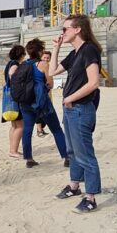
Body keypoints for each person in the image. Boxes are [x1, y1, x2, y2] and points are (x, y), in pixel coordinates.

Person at [49, 14, 101, 214]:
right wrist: (56, 47)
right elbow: (52, 72)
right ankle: (74, 185)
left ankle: (91, 197)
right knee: (72, 151)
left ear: (78, 29)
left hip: (80, 109)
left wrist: (70, 98)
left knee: (85, 154)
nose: (62, 32)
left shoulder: (89, 50)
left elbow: (93, 83)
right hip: (70, 109)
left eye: (65, 29)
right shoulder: (75, 53)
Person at [20, 38, 68, 168]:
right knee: (56, 129)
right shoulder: (43, 64)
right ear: (40, 51)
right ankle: (66, 157)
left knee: (27, 130)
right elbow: (50, 83)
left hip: (25, 103)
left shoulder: (23, 65)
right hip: (42, 103)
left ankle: (29, 159)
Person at [3, 44, 26, 158]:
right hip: (15, 97)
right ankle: (13, 151)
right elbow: (12, 73)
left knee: (14, 125)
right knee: (20, 126)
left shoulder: (9, 63)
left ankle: (12, 149)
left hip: (9, 98)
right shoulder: (15, 64)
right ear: (21, 55)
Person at [35, 50, 52, 137]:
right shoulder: (38, 66)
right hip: (40, 92)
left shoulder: (48, 66)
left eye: (48, 58)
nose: (46, 59)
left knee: (44, 111)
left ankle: (41, 129)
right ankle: (39, 130)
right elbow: (50, 83)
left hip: (46, 92)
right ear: (41, 57)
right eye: (44, 57)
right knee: (40, 111)